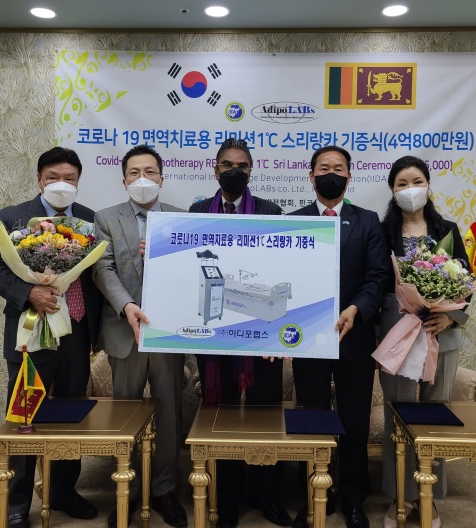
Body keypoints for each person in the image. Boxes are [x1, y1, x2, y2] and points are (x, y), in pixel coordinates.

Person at [0, 147, 102, 528]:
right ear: (39, 180)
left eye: (69, 178)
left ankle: (63, 490)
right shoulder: (12, 217)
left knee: (70, 413)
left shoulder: (91, 220)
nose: (61, 184)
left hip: (76, 332)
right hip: (29, 330)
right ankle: (17, 501)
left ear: (79, 182)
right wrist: (29, 291)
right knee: (25, 414)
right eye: (53, 177)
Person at [189, 138, 291, 528]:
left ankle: (267, 494)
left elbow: (281, 267)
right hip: (215, 331)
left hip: (260, 332)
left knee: (265, 415)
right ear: (214, 169)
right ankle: (227, 500)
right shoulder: (198, 211)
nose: (235, 171)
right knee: (223, 417)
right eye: (227, 164)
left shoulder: (270, 211)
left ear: (251, 171)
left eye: (242, 166)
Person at [289, 146, 391, 528]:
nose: (331, 174)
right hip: (308, 341)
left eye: (338, 168)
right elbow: (284, 279)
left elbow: (378, 276)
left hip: (355, 338)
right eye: (323, 168)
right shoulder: (293, 222)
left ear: (349, 176)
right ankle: (313, 499)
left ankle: (353, 499)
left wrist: (356, 308)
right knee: (311, 421)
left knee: (354, 423)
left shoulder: (367, 221)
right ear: (311, 175)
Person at [91, 144, 187, 528]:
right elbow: (102, 268)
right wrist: (127, 306)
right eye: (134, 172)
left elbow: (194, 269)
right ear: (124, 180)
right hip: (124, 330)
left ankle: (164, 489)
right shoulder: (106, 218)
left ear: (162, 178)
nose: (142, 179)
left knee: (169, 412)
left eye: (150, 172)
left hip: (168, 333)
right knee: (126, 414)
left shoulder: (182, 218)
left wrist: (167, 256)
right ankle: (126, 491)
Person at [378, 155, 470, 528]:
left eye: (416, 181)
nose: (410, 189)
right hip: (397, 334)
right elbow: (376, 281)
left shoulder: (448, 230)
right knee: (397, 418)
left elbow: (465, 281)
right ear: (392, 190)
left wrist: (449, 315)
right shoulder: (382, 232)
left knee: (436, 418)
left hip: (440, 334)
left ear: (428, 185)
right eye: (402, 183)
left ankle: (429, 498)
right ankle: (400, 496)